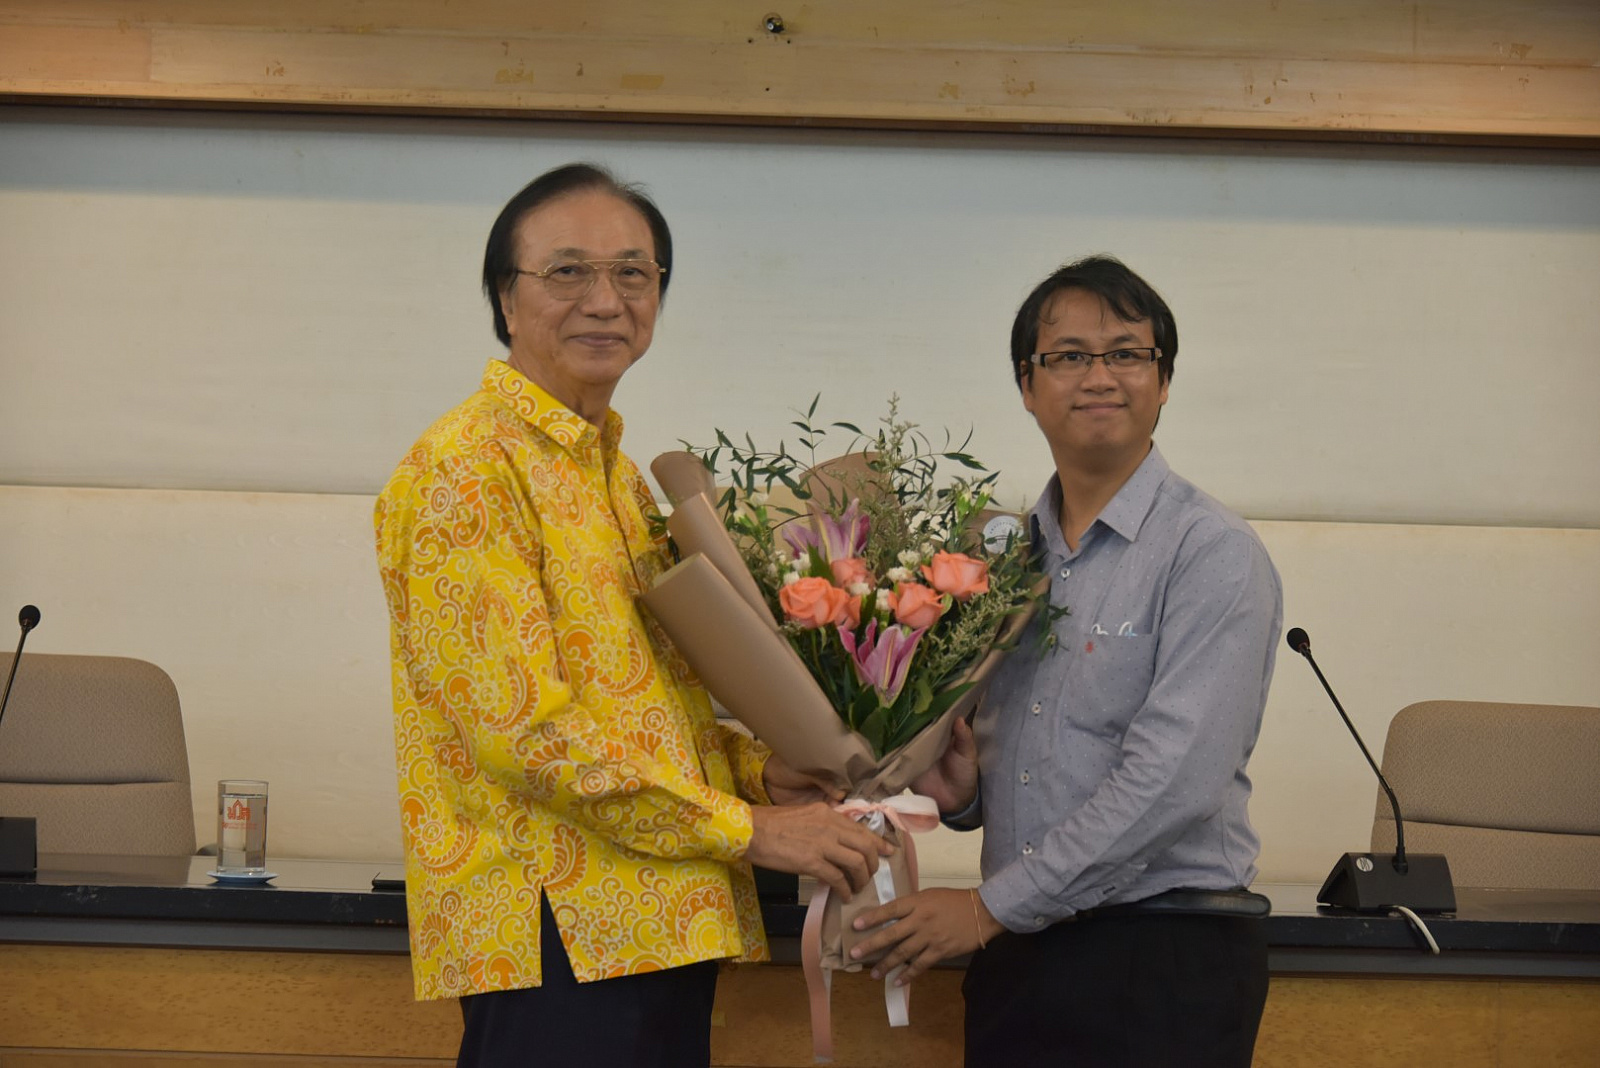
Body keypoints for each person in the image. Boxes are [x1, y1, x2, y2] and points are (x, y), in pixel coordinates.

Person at [375, 162, 889, 1068]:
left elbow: (653, 708)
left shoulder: (612, 474)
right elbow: (526, 737)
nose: (605, 300)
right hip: (558, 931)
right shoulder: (469, 470)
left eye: (633, 273)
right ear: (505, 299)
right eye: (567, 271)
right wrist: (751, 828)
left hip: (655, 923)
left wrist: (764, 774)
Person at [850, 255, 1283, 1067]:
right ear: (1027, 383)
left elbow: (1175, 782)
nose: (1100, 376)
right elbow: (1030, 757)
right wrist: (965, 792)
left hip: (1164, 956)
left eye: (1127, 354)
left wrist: (987, 909)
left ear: (1163, 380)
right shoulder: (1002, 557)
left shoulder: (1211, 552)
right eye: (1070, 356)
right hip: (1024, 954)